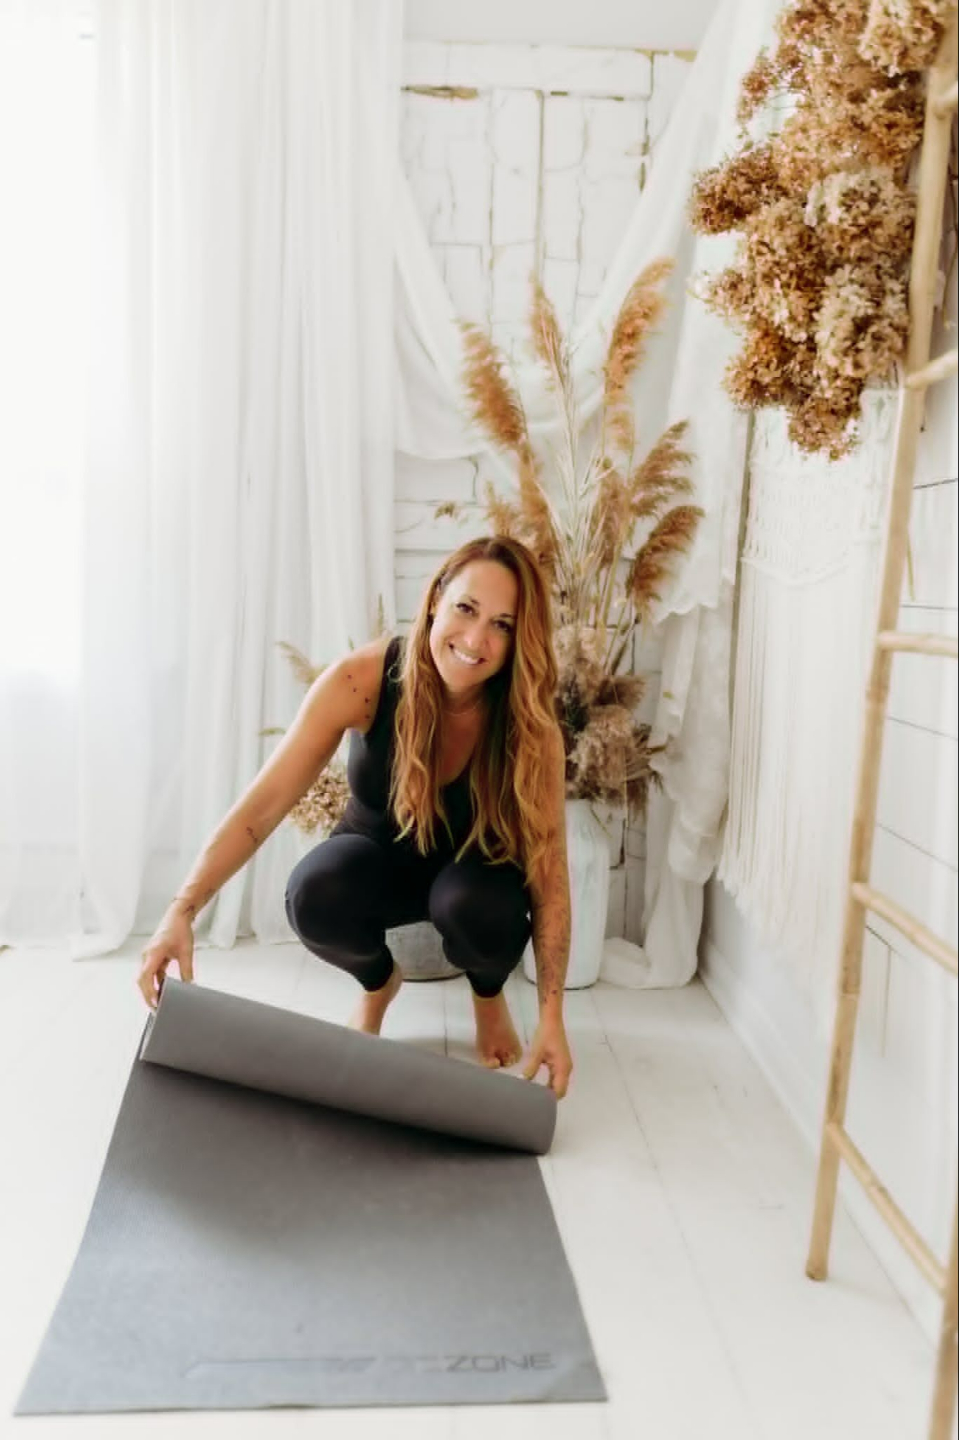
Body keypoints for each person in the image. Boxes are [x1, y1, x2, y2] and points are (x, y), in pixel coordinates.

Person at [137, 535, 573, 1098]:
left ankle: (487, 995)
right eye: (466, 609)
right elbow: (264, 804)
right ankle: (378, 983)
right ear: (435, 599)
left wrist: (552, 1019)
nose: (475, 640)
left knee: (479, 908)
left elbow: (550, 876)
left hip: (473, 877)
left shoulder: (530, 725)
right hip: (376, 859)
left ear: (519, 640)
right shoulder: (362, 680)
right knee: (312, 894)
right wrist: (181, 910)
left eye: (502, 625)